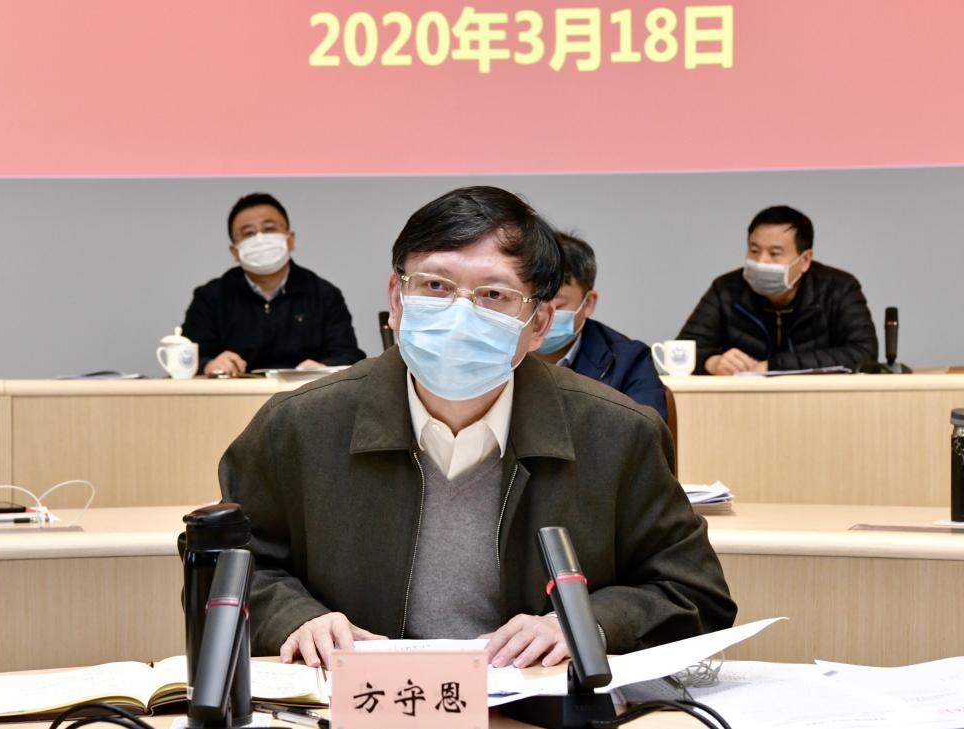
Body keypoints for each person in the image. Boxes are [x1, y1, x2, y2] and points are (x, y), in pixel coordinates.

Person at [220, 186, 736, 670]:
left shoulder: (618, 434)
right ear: (396, 300)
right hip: (361, 702)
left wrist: (587, 624)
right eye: (435, 286)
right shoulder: (298, 426)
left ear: (538, 324)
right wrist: (296, 617)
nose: (459, 315)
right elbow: (232, 565)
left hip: (535, 705)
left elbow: (694, 593)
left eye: (493, 294)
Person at [677, 205, 878, 375]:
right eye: (754, 250)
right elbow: (684, 349)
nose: (761, 261)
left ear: (805, 260)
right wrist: (711, 362)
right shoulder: (726, 289)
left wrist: (774, 367)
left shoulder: (839, 288)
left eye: (774, 253)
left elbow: (863, 353)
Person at [181, 192, 365, 375]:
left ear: (290, 239)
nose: (260, 239)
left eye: (269, 229)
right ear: (234, 251)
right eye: (249, 233)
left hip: (307, 391)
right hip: (235, 391)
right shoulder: (211, 297)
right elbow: (187, 358)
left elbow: (349, 356)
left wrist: (324, 367)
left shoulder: (324, 294)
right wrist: (209, 364)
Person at [534, 233, 667, 421]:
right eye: (534, 303)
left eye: (557, 306)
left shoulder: (628, 361)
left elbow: (648, 432)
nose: (541, 317)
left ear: (588, 303)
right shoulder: (500, 351)